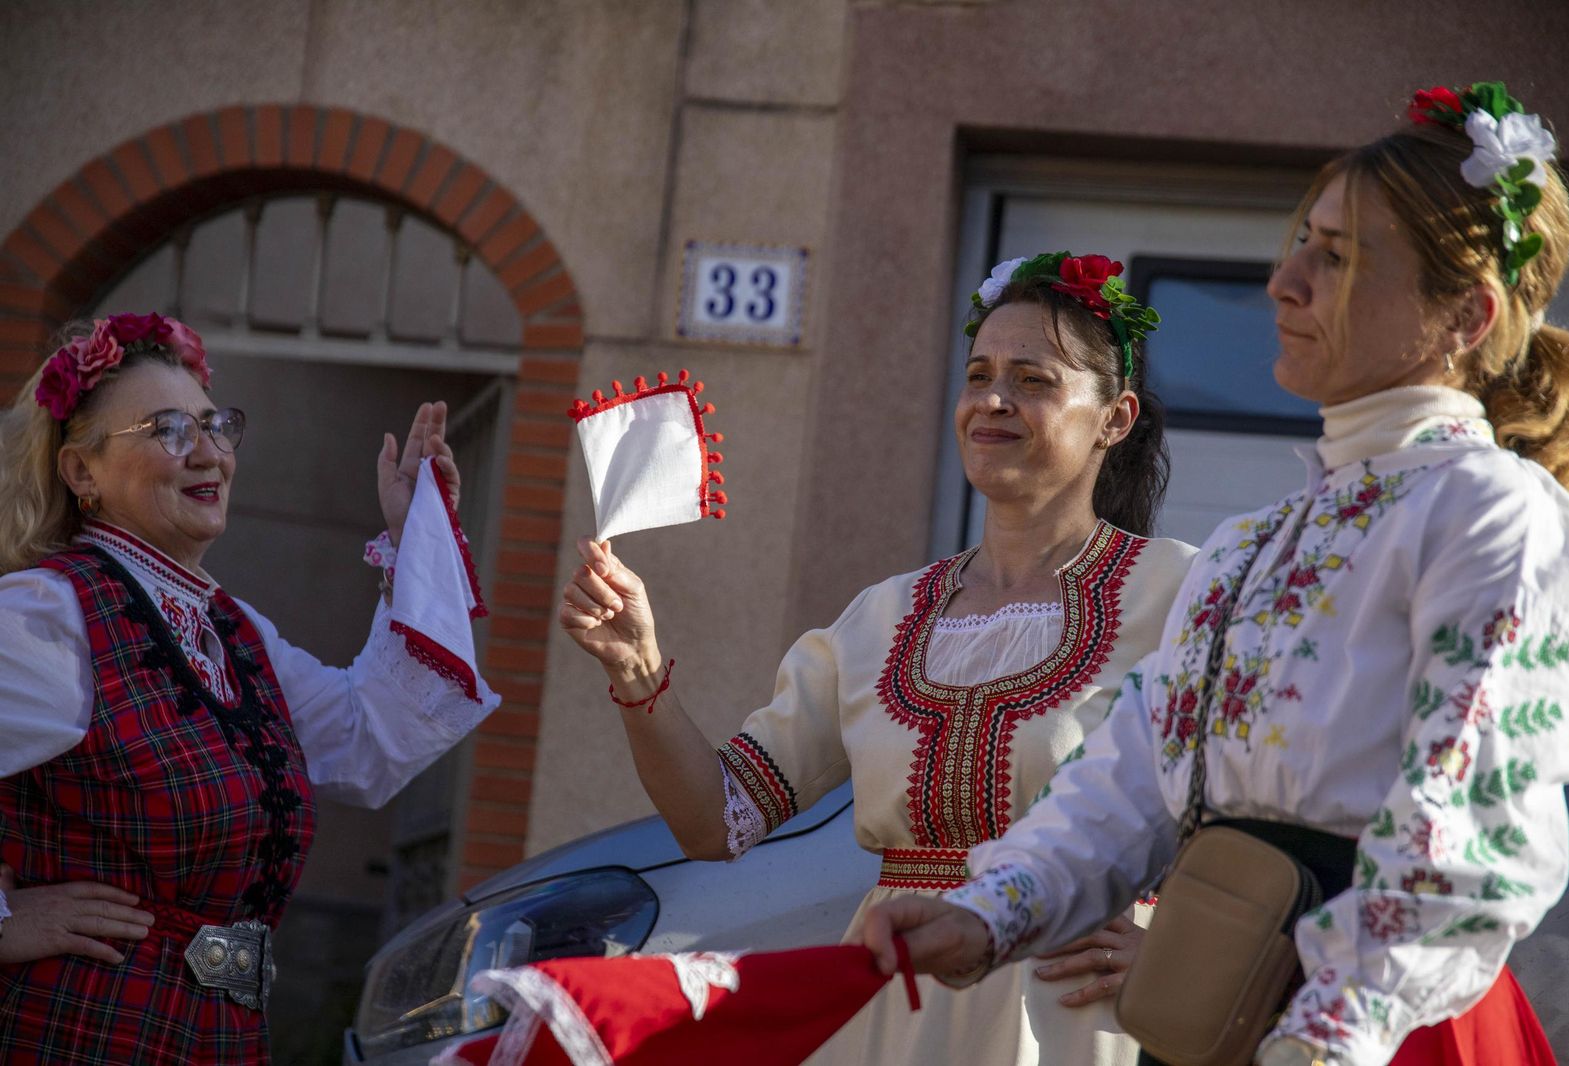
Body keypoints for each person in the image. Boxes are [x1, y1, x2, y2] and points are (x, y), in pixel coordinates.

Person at [860, 81, 1569, 1066]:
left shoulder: (1491, 516)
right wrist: (987, 912)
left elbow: (1472, 836)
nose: (1283, 282)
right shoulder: (1249, 544)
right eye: (1302, 241)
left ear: (1465, 313)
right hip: (1226, 1017)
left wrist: (1323, 1038)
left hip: (1382, 1030)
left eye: (1334, 257)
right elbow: (1127, 779)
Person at [559, 251, 1196, 1065]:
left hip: (1069, 1023)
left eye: (1033, 379)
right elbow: (716, 822)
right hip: (893, 1018)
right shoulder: (883, 617)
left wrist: (1178, 959)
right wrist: (638, 671)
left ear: (1115, 417)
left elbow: (1275, 817)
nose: (992, 400)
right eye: (979, 374)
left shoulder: (1180, 591)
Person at [0, 312, 500, 1064]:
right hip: (80, 1034)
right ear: (82, 472)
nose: (209, 452)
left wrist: (412, 540)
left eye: (215, 424)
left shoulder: (231, 630)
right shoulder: (48, 616)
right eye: (167, 430)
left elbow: (366, 744)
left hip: (217, 1042)